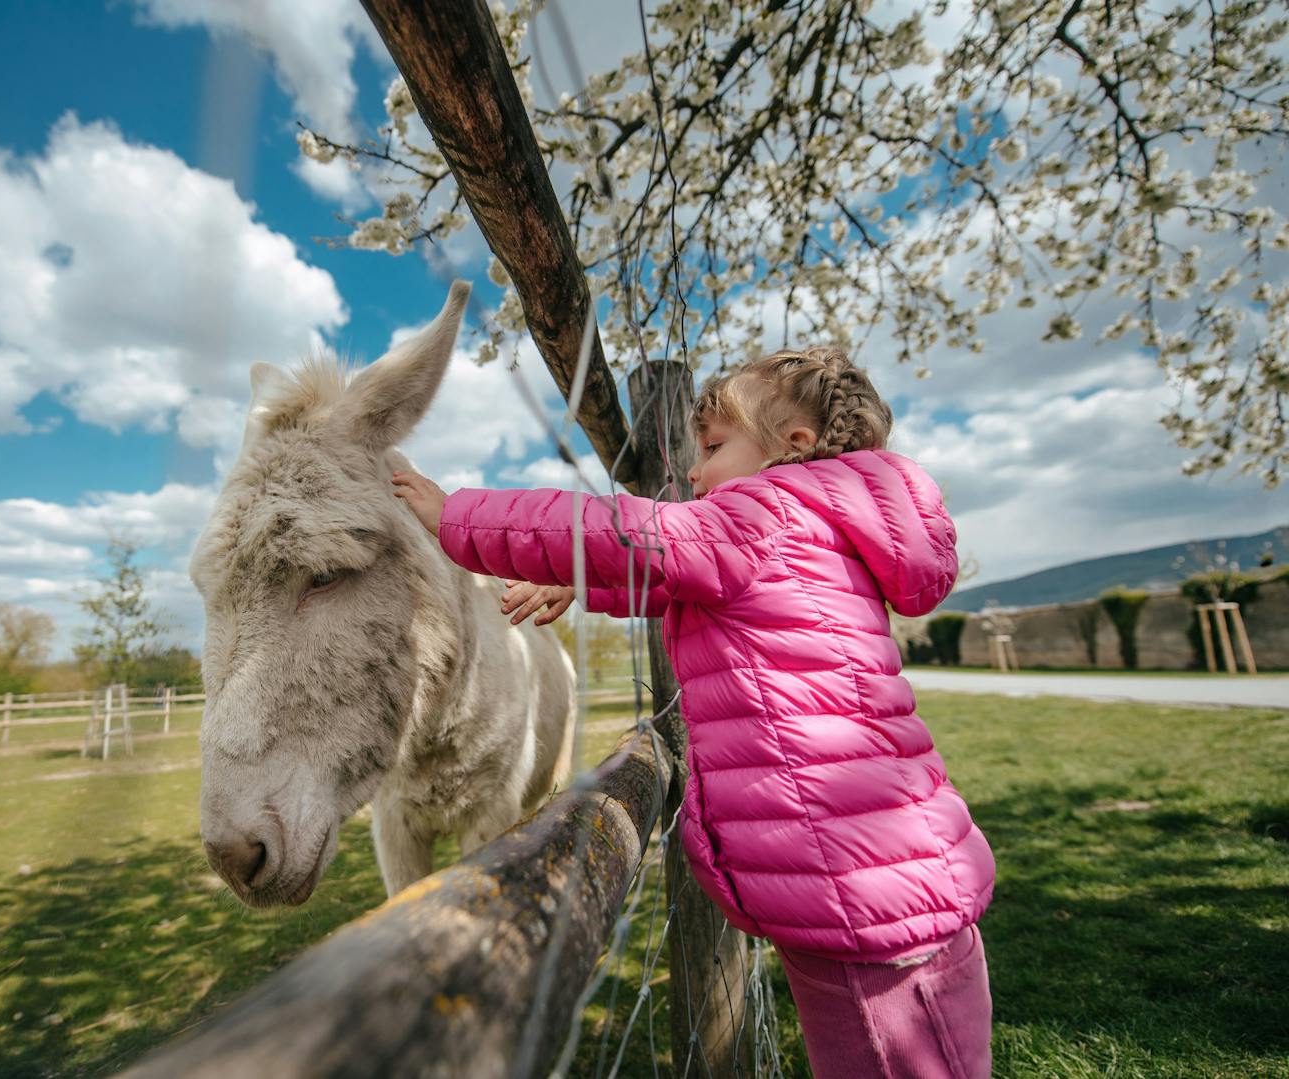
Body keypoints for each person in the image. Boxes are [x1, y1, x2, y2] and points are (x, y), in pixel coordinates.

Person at [392, 347, 996, 1079]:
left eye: (713, 447)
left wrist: (455, 512)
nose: (697, 471)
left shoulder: (767, 510)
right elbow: (696, 583)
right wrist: (584, 583)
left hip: (862, 896)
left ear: (792, 447)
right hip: (882, 873)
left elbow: (631, 535)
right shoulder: (820, 532)